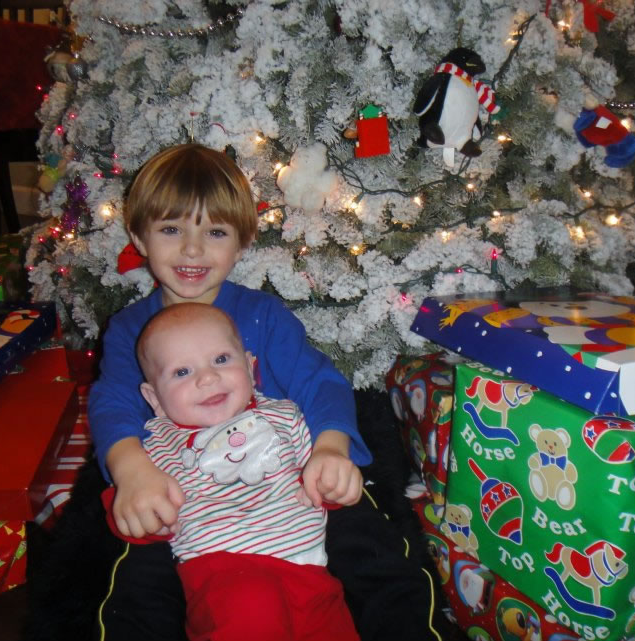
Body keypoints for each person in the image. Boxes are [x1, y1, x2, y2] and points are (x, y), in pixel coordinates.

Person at [89, 143, 441, 641]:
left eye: (215, 232)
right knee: (138, 585)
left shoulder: (263, 315)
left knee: (376, 557)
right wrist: (132, 471)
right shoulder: (130, 329)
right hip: (188, 491)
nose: (192, 250)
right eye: (171, 230)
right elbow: (112, 402)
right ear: (139, 237)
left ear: (242, 242)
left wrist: (330, 450)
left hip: (291, 476)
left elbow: (320, 383)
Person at [104, 302, 358, 640]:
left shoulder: (285, 415)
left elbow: (320, 477)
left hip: (311, 572)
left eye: (221, 359)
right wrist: (147, 517)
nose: (208, 378)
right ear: (154, 398)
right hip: (223, 573)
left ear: (251, 369)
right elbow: (135, 506)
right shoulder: (157, 445)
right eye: (182, 372)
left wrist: (334, 482)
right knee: (252, 608)